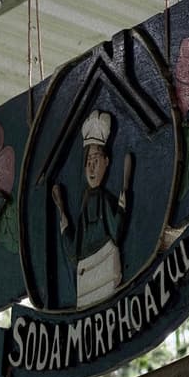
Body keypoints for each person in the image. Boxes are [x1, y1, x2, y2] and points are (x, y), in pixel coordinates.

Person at [52, 110, 131, 309]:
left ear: (106, 162)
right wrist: (63, 215)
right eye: (88, 162)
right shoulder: (85, 203)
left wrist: (123, 196)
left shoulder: (105, 199)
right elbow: (73, 250)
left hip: (106, 266)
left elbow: (116, 230)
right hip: (85, 276)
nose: (92, 168)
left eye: (96, 160)